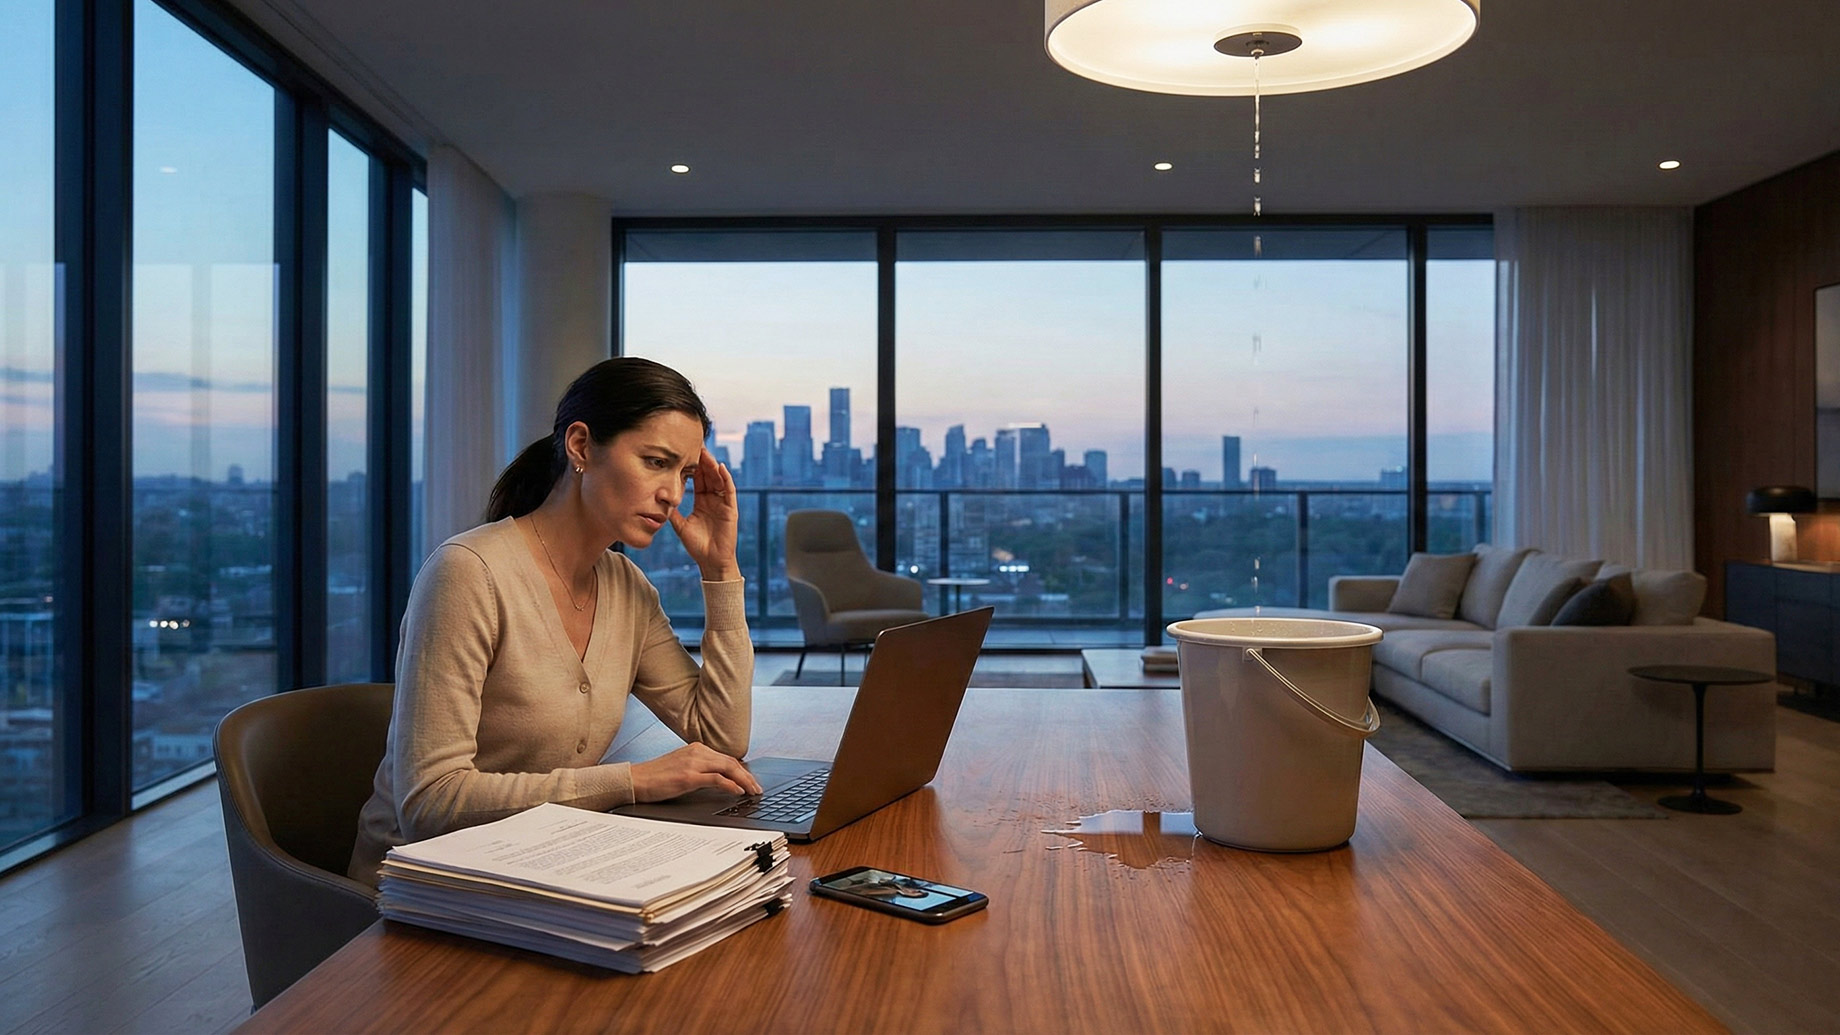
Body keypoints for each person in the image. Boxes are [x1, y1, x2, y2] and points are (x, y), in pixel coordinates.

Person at [349, 356, 761, 887]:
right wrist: (633, 780)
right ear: (582, 446)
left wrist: (720, 571)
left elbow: (722, 737)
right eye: (655, 462)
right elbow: (429, 804)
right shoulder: (469, 574)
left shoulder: (627, 588)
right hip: (420, 890)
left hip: (541, 869)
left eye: (683, 474)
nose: (673, 495)